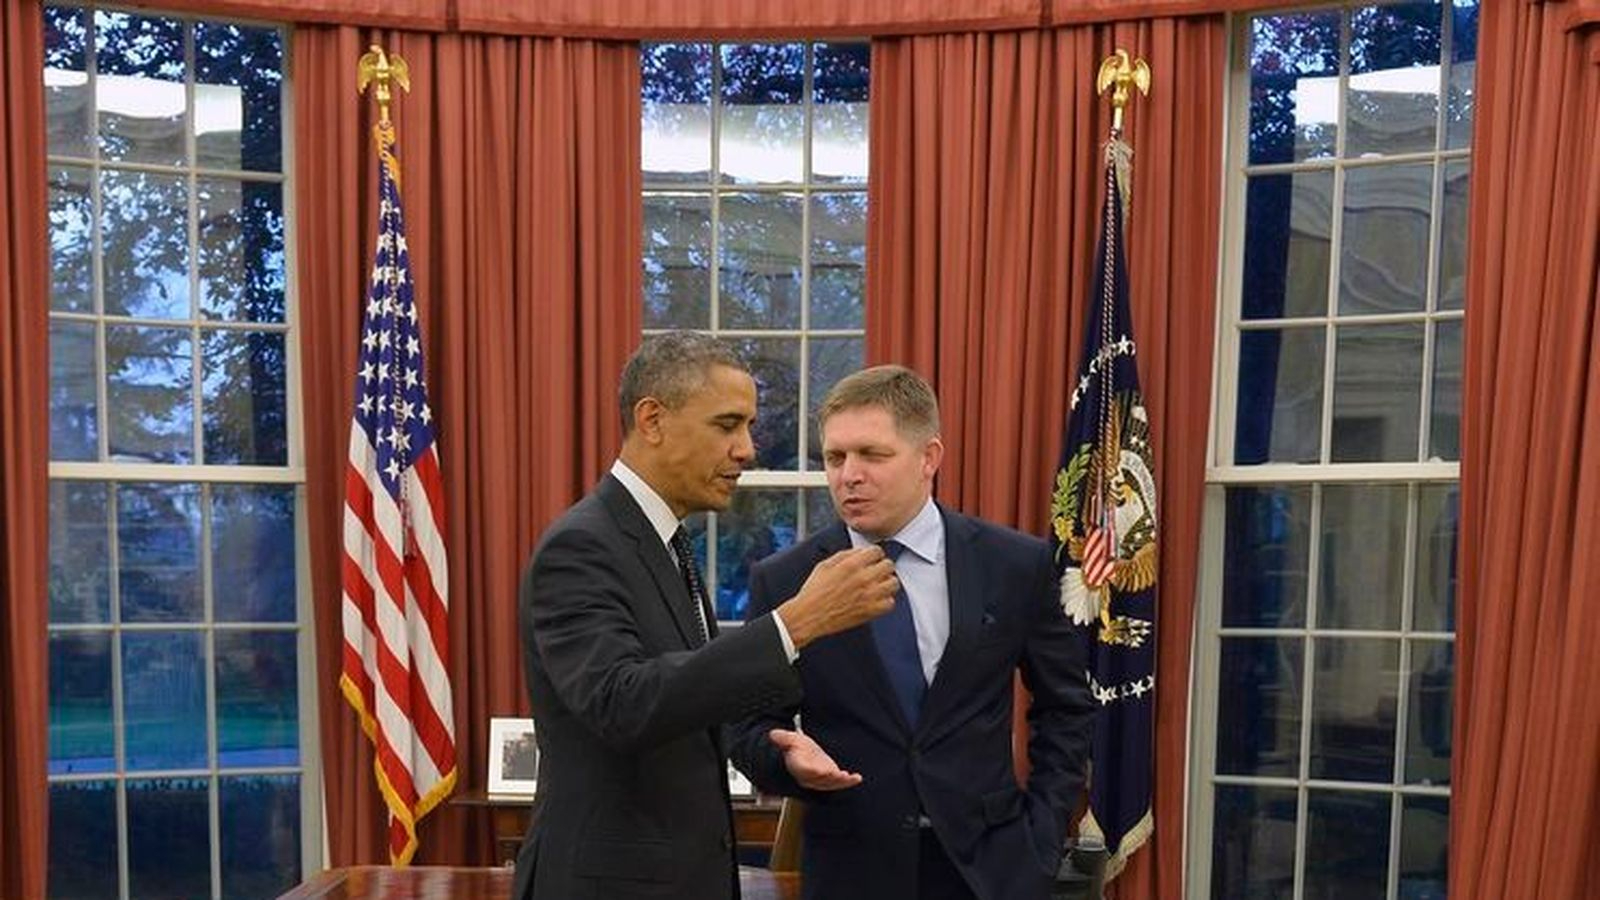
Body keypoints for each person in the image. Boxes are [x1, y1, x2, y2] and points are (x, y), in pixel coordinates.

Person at [512, 332, 898, 900]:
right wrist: (797, 622)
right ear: (652, 420)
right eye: (727, 425)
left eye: (748, 427)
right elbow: (622, 704)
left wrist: (775, 748)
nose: (747, 449)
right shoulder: (582, 545)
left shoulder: (666, 542)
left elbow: (685, 706)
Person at [730, 365, 1095, 900]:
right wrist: (785, 761)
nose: (848, 475)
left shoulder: (1014, 564)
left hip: (991, 872)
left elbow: (1066, 708)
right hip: (851, 872)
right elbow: (747, 728)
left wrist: (1041, 834)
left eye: (871, 455)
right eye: (835, 457)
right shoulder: (785, 580)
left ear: (929, 458)